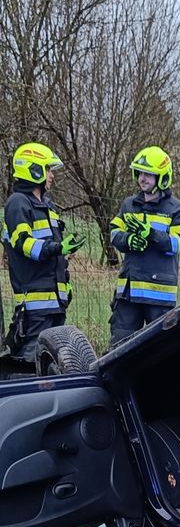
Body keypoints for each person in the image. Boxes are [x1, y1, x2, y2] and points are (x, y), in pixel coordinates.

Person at [2, 142, 84, 364]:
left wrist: (64, 283)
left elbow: (56, 255)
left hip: (55, 302)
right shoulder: (17, 203)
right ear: (33, 169)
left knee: (56, 364)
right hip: (35, 308)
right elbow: (24, 244)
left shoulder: (48, 205)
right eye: (48, 169)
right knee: (30, 365)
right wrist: (58, 248)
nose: (52, 176)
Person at [108, 146, 180, 347]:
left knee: (160, 349)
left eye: (149, 175)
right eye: (140, 173)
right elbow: (114, 232)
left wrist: (152, 235)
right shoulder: (129, 205)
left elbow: (179, 243)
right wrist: (128, 240)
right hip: (128, 293)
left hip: (158, 295)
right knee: (120, 345)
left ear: (162, 178)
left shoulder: (175, 209)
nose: (142, 179)